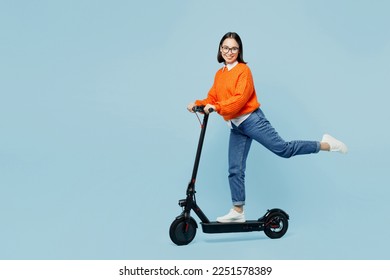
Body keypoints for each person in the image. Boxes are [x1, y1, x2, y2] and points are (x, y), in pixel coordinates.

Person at [187, 32, 348, 223]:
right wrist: (198, 103)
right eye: (225, 48)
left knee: (284, 149)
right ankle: (238, 210)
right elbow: (213, 97)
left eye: (233, 48)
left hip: (252, 120)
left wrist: (218, 107)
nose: (229, 52)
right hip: (236, 126)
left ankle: (326, 144)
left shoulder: (243, 71)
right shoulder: (220, 74)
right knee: (235, 168)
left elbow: (239, 100)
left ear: (239, 51)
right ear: (220, 50)